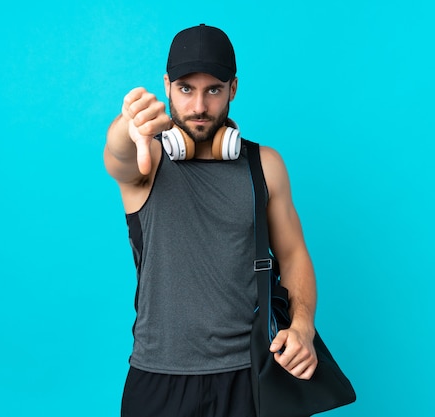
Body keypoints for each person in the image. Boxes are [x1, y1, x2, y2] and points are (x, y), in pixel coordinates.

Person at [104, 24, 318, 417]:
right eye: (186, 88)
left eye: (213, 90)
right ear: (167, 86)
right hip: (158, 378)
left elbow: (293, 255)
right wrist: (127, 127)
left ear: (233, 89)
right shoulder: (146, 162)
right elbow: (116, 155)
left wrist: (302, 326)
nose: (199, 106)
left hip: (248, 377)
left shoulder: (264, 166)